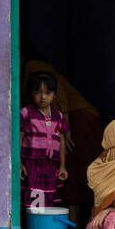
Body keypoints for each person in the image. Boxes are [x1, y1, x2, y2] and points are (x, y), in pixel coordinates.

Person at [19, 71, 69, 209]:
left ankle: (43, 227)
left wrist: (62, 165)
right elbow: (20, 136)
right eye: (38, 92)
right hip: (32, 163)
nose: (43, 97)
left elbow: (61, 141)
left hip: (51, 164)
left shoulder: (58, 116)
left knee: (49, 198)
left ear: (54, 94)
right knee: (33, 198)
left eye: (47, 93)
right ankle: (34, 226)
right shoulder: (26, 113)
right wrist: (19, 162)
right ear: (31, 93)